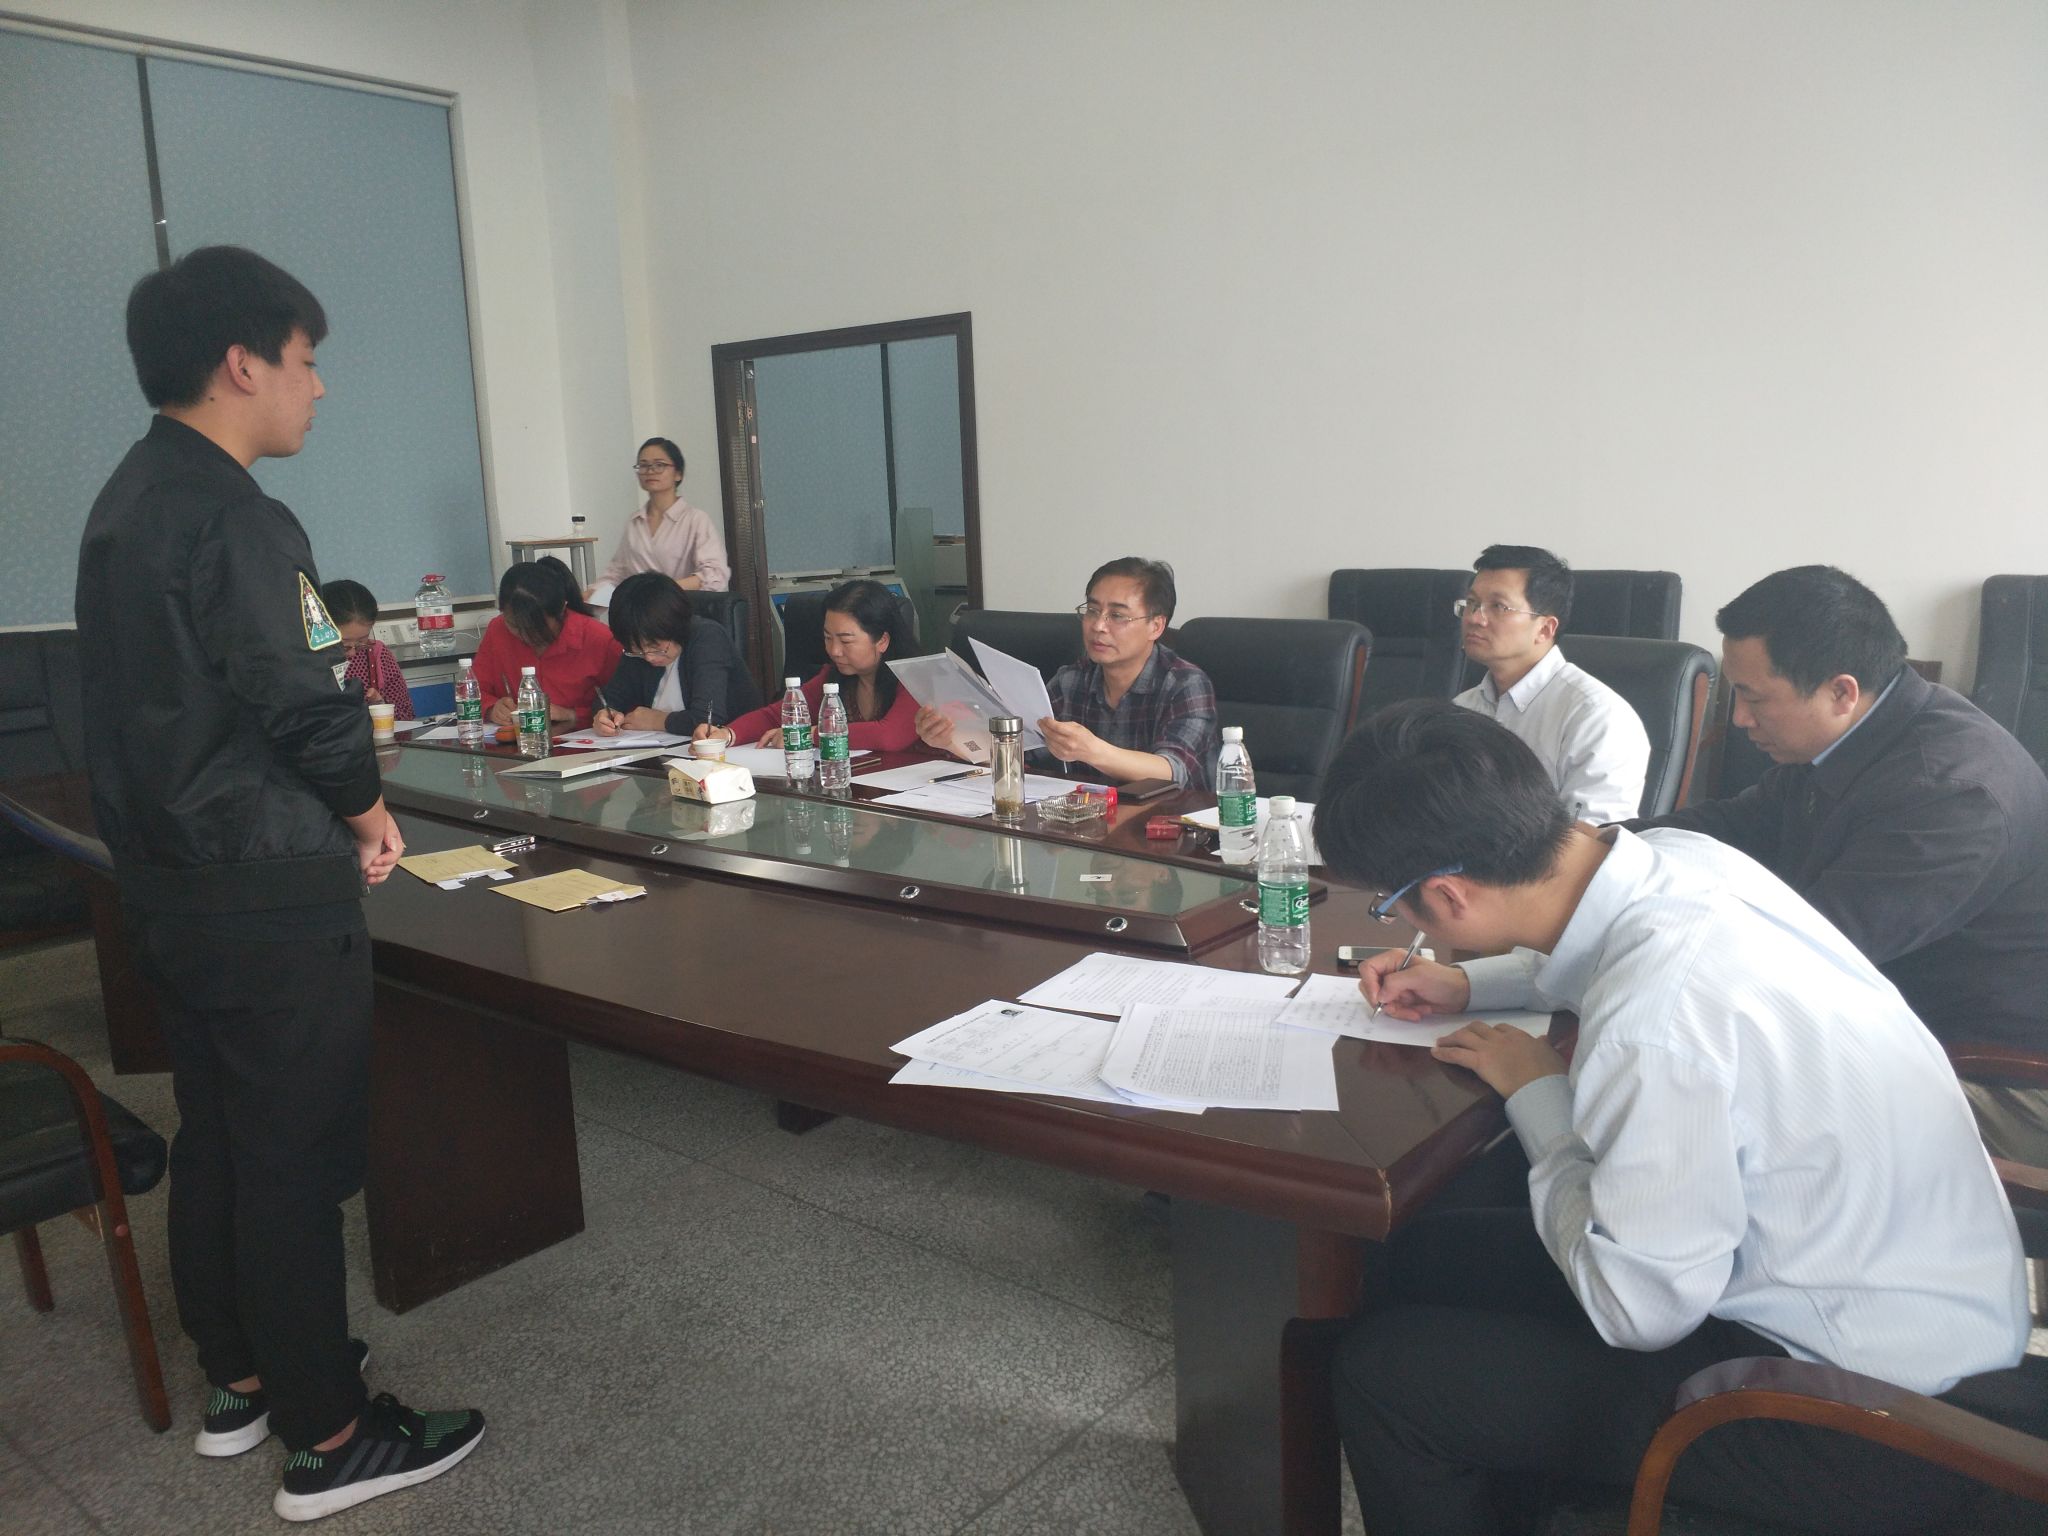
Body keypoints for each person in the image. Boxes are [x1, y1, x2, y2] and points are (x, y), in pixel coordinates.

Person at [1315, 700, 2025, 1536]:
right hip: (1920, 1299)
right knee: (1421, 1255)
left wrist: (1539, 1094)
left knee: (1385, 1378)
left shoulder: (1656, 1020)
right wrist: (1469, 982)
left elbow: (1638, 1311)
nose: (1398, 920)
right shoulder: (1684, 860)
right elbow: (1599, 951)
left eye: (1394, 904)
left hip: (1861, 1412)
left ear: (1446, 894)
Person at [74, 245, 481, 1522]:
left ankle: (240, 1380)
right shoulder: (240, 517)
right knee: (294, 1162)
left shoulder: (123, 503)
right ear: (243, 363)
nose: (319, 387)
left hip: (170, 885)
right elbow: (306, 700)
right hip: (265, 889)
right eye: (307, 362)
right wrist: (368, 814)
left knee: (221, 1135)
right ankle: (333, 1436)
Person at [1634, 565, 2048, 1160]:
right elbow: (1735, 826)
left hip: (1994, 1076)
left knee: (1688, 1107)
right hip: (1892, 1022)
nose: (1741, 718)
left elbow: (1807, 955)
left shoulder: (1951, 793)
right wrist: (1588, 847)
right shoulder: (1854, 737)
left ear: (1841, 692)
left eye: (1754, 698)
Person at [916, 557, 1217, 787]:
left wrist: (1092, 750)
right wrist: (950, 740)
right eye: (1092, 610)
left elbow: (1174, 770)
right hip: (1087, 824)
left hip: (1169, 829)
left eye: (1117, 615)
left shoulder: (1185, 683)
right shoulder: (1072, 680)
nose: (1099, 625)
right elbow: (1023, 751)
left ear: (1156, 626)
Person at [1451, 544, 1650, 823]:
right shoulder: (1461, 709)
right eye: (1472, 603)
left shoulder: (1597, 717)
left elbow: (1590, 838)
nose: (1474, 618)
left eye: (1498, 607)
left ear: (1545, 629)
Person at [699, 578, 919, 753]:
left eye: (846, 641)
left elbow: (888, 736)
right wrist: (727, 734)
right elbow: (774, 716)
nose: (834, 650)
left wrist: (808, 734)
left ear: (882, 640)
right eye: (828, 638)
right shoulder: (834, 677)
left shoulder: (914, 678)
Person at [594, 572, 760, 736]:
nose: (648, 657)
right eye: (637, 650)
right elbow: (609, 699)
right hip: (667, 748)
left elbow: (709, 719)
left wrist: (658, 721)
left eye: (655, 647)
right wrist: (605, 716)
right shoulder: (638, 650)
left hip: (729, 747)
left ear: (675, 628)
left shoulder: (708, 638)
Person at [473, 557, 622, 729]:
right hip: (518, 740)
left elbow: (626, 704)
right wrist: (492, 708)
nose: (525, 636)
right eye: (514, 626)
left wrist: (572, 715)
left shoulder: (600, 639)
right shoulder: (497, 630)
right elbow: (473, 691)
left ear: (561, 609)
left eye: (535, 628)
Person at [595, 435, 729, 593]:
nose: (650, 471)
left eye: (659, 465)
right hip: (639, 607)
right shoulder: (634, 522)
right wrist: (588, 595)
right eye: (643, 466)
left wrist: (662, 592)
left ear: (678, 473)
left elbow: (715, 574)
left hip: (681, 605)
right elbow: (616, 574)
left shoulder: (696, 520)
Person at [318, 579, 414, 720]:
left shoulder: (377, 655)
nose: (352, 653)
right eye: (343, 645)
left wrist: (380, 707)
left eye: (361, 641)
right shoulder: (308, 661)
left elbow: (406, 715)